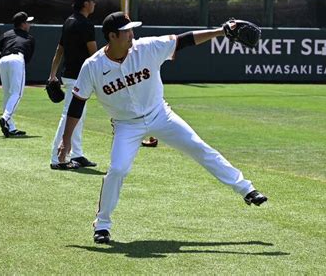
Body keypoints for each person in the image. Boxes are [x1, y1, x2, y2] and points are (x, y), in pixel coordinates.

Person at [57, 12, 268, 244]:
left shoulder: (146, 48)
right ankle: (103, 224)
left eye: (131, 29)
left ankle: (246, 189)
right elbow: (77, 104)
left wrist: (220, 31)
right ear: (112, 36)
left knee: (199, 147)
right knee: (117, 169)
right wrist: (67, 141)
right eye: (126, 31)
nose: (132, 34)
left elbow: (185, 40)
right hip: (127, 125)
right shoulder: (93, 66)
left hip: (160, 114)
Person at [48, 0, 99, 170]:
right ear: (85, 3)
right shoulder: (85, 24)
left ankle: (77, 154)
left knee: (78, 116)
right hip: (79, 78)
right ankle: (57, 158)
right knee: (68, 116)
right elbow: (94, 55)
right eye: (92, 1)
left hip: (69, 75)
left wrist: (52, 74)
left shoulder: (68, 22)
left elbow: (59, 50)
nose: (94, 3)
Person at [0, 12, 35, 138]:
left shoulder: (7, 34)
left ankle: (11, 128)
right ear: (22, 24)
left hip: (3, 60)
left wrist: (2, 59)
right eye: (28, 22)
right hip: (17, 59)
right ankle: (5, 118)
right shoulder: (29, 38)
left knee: (7, 94)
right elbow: (27, 59)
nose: (30, 24)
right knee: (17, 93)